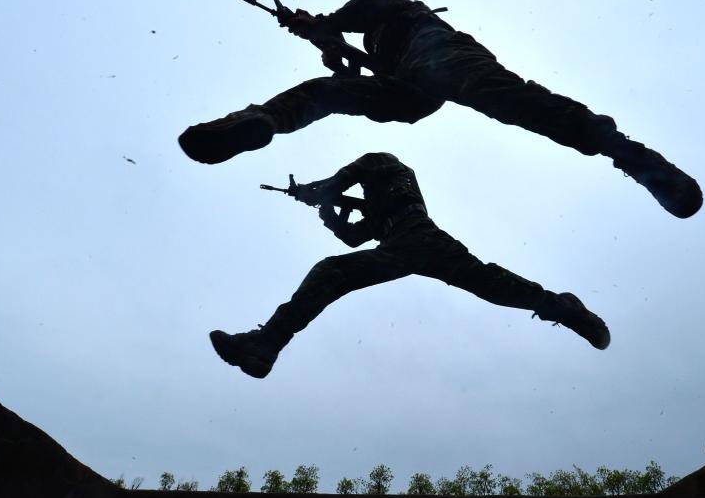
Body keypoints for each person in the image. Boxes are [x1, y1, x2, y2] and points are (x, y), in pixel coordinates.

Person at [179, 0, 702, 218]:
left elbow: (368, 6)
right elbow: (347, 58)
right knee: (329, 92)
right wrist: (326, 43)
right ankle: (256, 123)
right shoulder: (377, 42)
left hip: (438, 58)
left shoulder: (396, 9)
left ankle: (637, 159)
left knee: (526, 105)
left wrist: (326, 26)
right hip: (409, 90)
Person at [209, 152, 610, 379]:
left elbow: (344, 178)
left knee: (487, 282)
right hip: (402, 246)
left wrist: (319, 192)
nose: (360, 187)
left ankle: (267, 343)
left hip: (417, 235)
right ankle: (563, 307)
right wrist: (331, 215)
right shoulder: (376, 203)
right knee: (485, 281)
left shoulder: (384, 165)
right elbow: (354, 237)